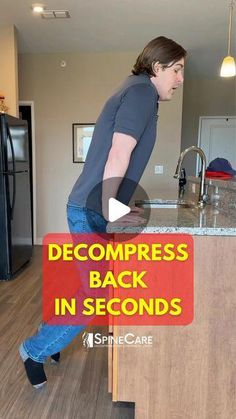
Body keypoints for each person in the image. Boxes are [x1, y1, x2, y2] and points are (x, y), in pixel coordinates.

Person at [19, 36, 186, 388]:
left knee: (88, 289)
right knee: (94, 293)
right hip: (91, 210)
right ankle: (34, 350)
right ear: (157, 67)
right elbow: (117, 155)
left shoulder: (140, 91)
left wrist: (122, 203)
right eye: (177, 69)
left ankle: (47, 337)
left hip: (91, 206)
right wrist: (113, 209)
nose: (180, 78)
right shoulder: (142, 93)